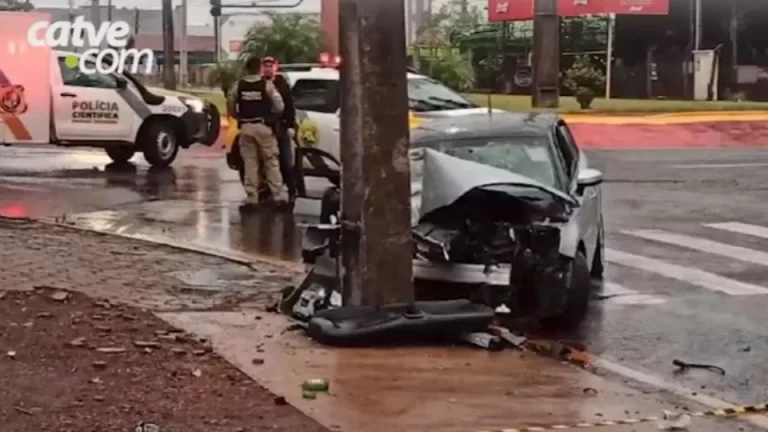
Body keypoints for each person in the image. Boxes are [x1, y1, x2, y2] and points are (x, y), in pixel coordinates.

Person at [227, 56, 290, 210]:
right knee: (271, 162)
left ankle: (252, 198)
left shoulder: (238, 85)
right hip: (263, 127)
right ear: (259, 68)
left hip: (246, 127)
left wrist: (238, 116)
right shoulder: (266, 85)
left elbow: (230, 103)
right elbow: (280, 105)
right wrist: (271, 116)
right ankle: (279, 197)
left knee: (250, 163)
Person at [261, 56, 298, 200]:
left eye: (271, 65)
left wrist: (291, 125)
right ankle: (268, 190)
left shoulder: (281, 83)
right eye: (266, 65)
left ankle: (291, 188)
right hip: (266, 127)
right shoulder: (259, 84)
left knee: (286, 160)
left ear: (276, 67)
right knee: (267, 161)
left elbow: (289, 106)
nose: (268, 68)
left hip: (281, 127)